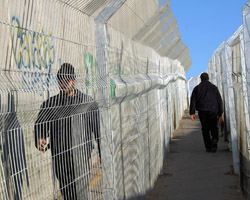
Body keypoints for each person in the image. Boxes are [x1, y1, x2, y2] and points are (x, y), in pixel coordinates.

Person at [34, 63, 101, 200]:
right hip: (60, 158)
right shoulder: (51, 104)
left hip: (81, 156)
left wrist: (103, 152)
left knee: (81, 193)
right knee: (67, 194)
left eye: (67, 80)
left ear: (74, 81)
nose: (63, 84)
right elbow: (40, 124)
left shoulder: (87, 103)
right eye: (61, 81)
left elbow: (98, 129)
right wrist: (40, 137)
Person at [189, 72, 223, 153]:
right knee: (214, 128)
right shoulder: (214, 88)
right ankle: (214, 145)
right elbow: (219, 101)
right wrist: (220, 112)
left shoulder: (197, 88)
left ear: (201, 79)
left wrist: (192, 113)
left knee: (205, 129)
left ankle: (208, 147)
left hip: (202, 111)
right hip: (213, 111)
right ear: (208, 78)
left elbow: (193, 101)